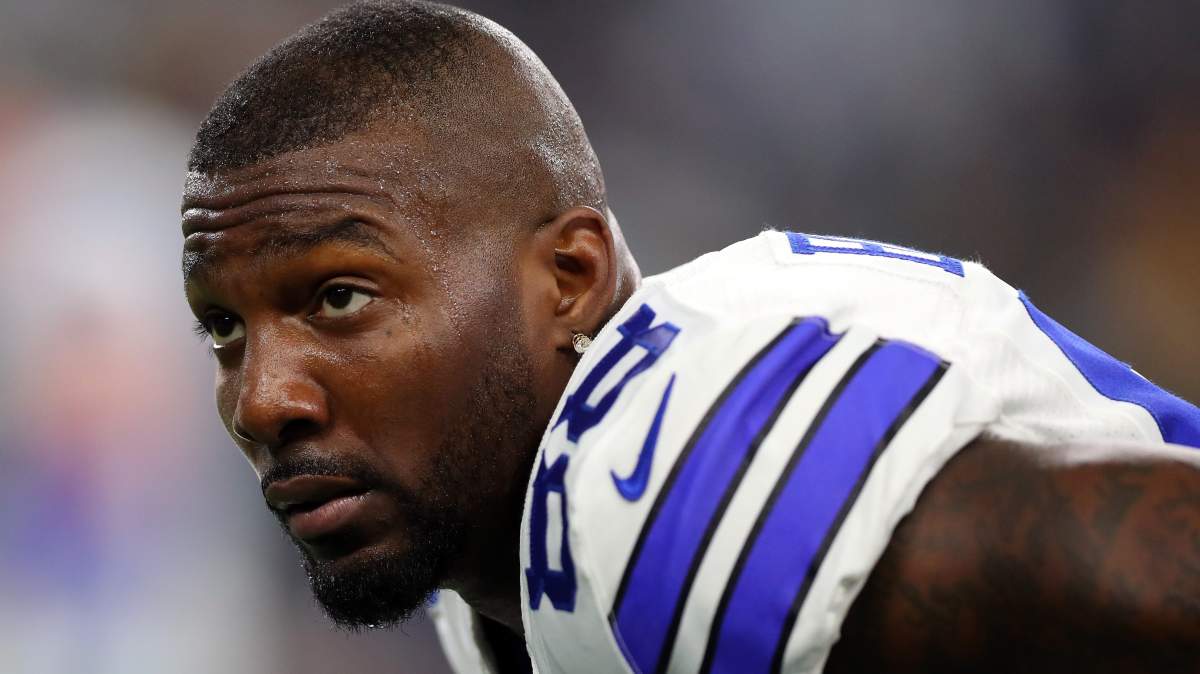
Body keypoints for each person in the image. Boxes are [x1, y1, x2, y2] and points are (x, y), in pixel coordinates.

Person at [179, 2, 1200, 672]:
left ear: (570, 279)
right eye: (223, 326)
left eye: (340, 298)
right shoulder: (502, 572)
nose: (262, 400)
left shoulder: (668, 471)